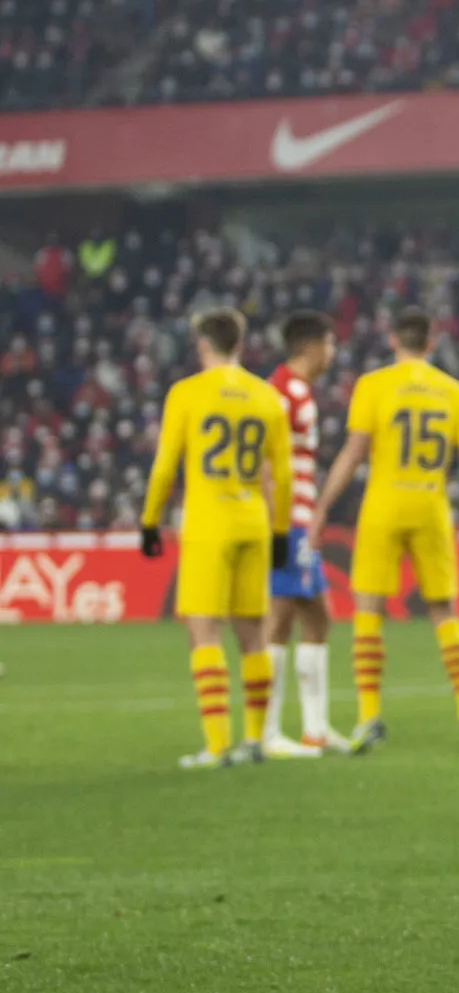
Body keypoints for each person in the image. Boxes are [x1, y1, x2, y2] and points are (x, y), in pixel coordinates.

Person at [309, 308, 459, 752]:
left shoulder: (372, 386)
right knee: (445, 612)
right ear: (432, 344)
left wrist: (320, 510)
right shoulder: (453, 391)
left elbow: (352, 455)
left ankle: (369, 717)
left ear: (393, 341)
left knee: (368, 611)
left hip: (384, 505)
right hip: (430, 505)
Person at [139, 309, 293, 768]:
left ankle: (216, 745)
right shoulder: (267, 397)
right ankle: (255, 742)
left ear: (202, 345)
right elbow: (281, 477)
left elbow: (166, 465)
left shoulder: (187, 393)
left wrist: (149, 521)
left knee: (203, 630)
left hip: (210, 523)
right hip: (253, 522)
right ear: (240, 344)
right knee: (252, 635)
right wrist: (281, 530)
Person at [264, 311, 348, 756]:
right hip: (285, 523)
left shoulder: (298, 392)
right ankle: (269, 731)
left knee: (317, 617)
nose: (333, 353)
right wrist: (277, 522)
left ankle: (316, 728)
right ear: (311, 346)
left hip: (298, 520)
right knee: (278, 617)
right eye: (330, 344)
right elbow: (263, 456)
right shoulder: (282, 393)